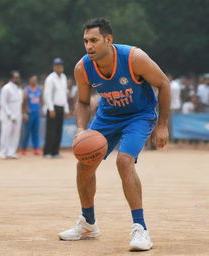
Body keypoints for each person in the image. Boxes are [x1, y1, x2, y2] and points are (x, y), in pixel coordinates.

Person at [58, 18, 170, 251]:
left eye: (94, 40)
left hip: (139, 115)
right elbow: (82, 101)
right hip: (108, 116)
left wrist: (162, 125)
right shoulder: (83, 67)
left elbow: (164, 84)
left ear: (108, 40)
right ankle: (88, 223)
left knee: (124, 161)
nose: (89, 46)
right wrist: (81, 128)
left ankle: (140, 229)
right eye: (86, 41)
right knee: (84, 164)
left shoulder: (134, 58)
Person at [43, 58, 70, 158]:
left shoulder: (64, 77)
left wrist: (66, 109)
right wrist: (50, 108)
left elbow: (64, 94)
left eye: (61, 65)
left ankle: (55, 152)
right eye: (57, 65)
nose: (59, 67)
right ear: (54, 67)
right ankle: (48, 152)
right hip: (53, 107)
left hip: (61, 106)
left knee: (59, 130)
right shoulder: (50, 78)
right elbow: (47, 94)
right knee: (51, 130)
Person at [0, 71, 23, 159]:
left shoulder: (19, 89)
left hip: (18, 113)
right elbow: (3, 102)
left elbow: (20, 103)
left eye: (18, 77)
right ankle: (2, 151)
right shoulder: (6, 88)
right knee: (6, 133)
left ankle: (11, 152)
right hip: (7, 115)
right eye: (15, 77)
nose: (17, 79)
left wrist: (20, 114)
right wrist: (9, 114)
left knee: (15, 134)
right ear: (11, 78)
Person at [20, 75, 42, 155]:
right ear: (29, 80)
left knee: (35, 132)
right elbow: (23, 102)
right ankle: (23, 148)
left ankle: (36, 148)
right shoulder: (26, 90)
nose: (34, 81)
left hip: (36, 113)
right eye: (32, 80)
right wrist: (24, 113)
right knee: (26, 132)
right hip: (29, 113)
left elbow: (41, 100)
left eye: (35, 80)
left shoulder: (39, 89)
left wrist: (41, 109)